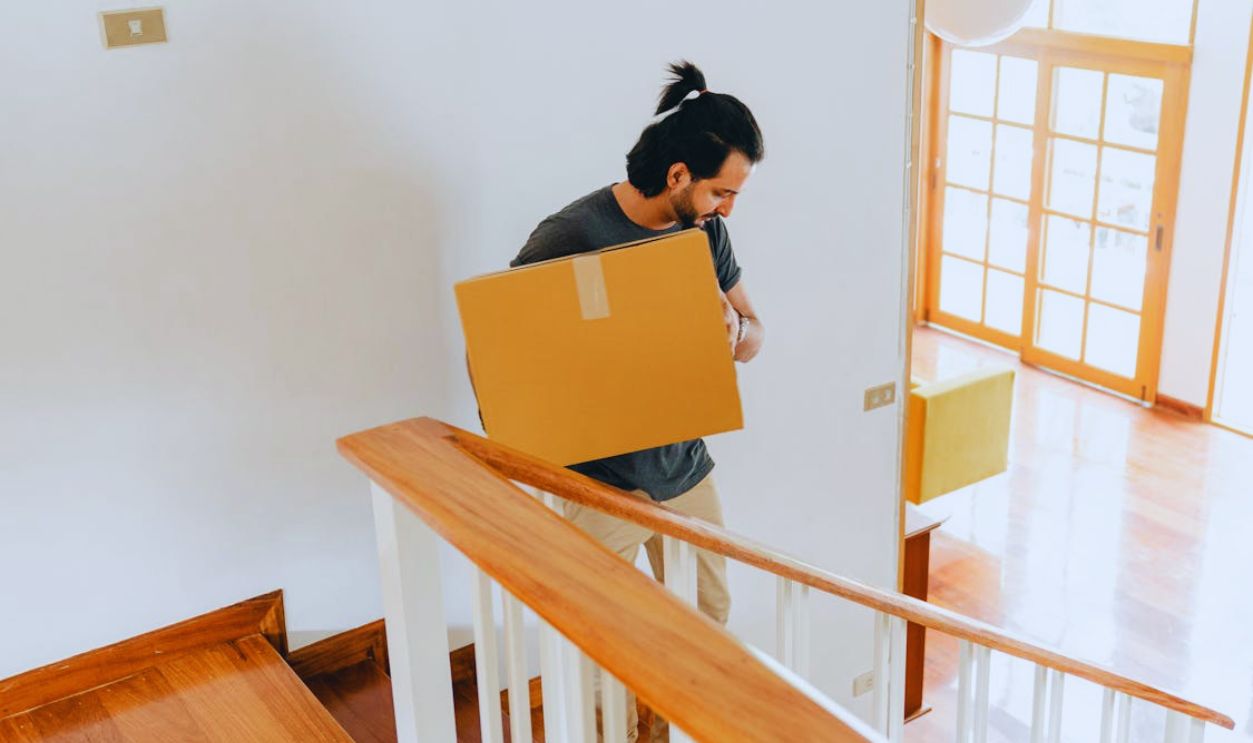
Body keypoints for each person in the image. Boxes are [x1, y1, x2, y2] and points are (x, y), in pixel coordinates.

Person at [511, 60, 765, 742]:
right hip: (602, 479)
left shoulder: (704, 231)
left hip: (684, 465)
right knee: (605, 637)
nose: (728, 209)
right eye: (721, 191)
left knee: (709, 613)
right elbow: (509, 339)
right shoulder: (573, 234)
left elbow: (754, 335)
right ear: (677, 174)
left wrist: (733, 328)